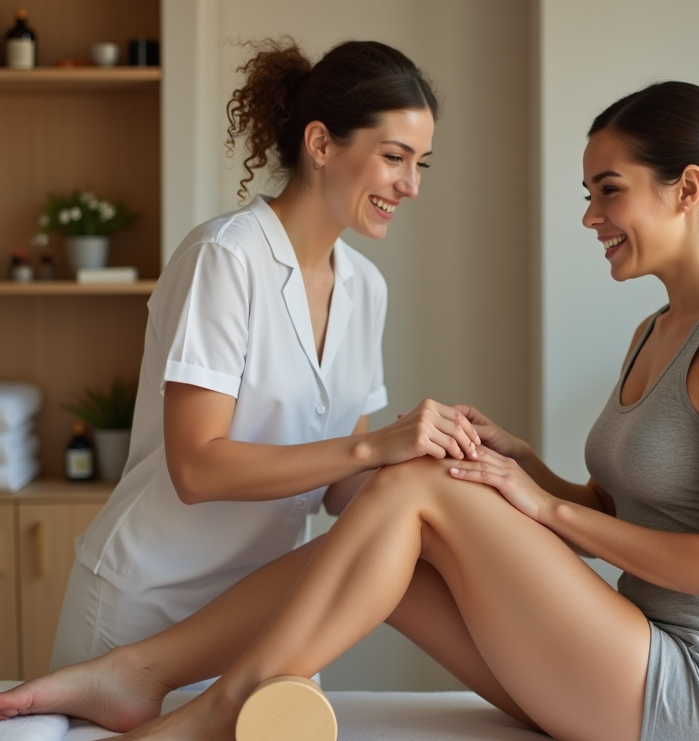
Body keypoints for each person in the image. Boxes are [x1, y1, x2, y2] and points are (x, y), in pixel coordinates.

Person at [0, 81, 699, 741]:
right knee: (412, 499)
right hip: (629, 658)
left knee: (416, 483)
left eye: (609, 191)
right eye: (588, 194)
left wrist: (542, 507)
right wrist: (523, 466)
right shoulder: (658, 329)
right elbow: (617, 513)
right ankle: (141, 673)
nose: (590, 217)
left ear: (687, 189)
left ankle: (227, 699)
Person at [45, 37, 484, 672]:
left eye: (422, 164)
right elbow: (197, 470)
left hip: (258, 617)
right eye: (395, 157)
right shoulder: (224, 258)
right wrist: (372, 449)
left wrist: (440, 467)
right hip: (144, 608)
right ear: (322, 144)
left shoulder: (365, 289)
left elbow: (337, 490)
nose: (411, 185)